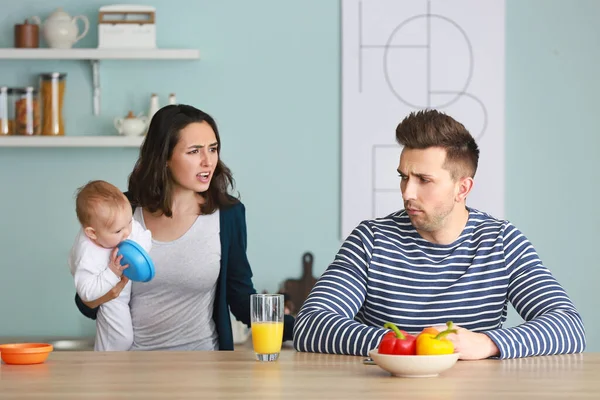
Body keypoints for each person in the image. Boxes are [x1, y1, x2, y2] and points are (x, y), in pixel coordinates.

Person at [293, 109, 586, 360]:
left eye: (424, 180)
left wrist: (487, 343)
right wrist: (414, 348)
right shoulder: (370, 240)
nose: (407, 192)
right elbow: (310, 325)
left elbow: (569, 326)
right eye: (404, 177)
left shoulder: (502, 242)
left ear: (463, 188)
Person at [74, 104, 294, 350]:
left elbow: (240, 298)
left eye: (213, 149)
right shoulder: (122, 211)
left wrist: (301, 328)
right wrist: (109, 291)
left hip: (206, 369)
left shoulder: (228, 214)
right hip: (132, 370)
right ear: (165, 157)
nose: (207, 161)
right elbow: (86, 302)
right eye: (194, 151)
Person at [68, 180, 152, 351]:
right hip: (108, 292)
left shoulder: (121, 221)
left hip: (122, 284)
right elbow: (87, 293)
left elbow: (144, 235)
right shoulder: (87, 256)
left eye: (129, 223)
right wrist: (111, 273)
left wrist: (138, 253)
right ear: (92, 233)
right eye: (118, 231)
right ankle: (102, 366)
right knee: (121, 338)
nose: (127, 232)